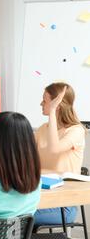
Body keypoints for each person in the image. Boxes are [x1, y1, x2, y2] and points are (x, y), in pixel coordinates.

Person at [34, 83, 86, 226]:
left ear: (58, 105)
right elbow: (25, 157)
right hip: (39, 199)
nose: (41, 103)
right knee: (8, 211)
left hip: (63, 207)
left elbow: (54, 149)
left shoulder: (76, 131)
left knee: (15, 215)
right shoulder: (42, 130)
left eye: (45, 101)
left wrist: (51, 112)